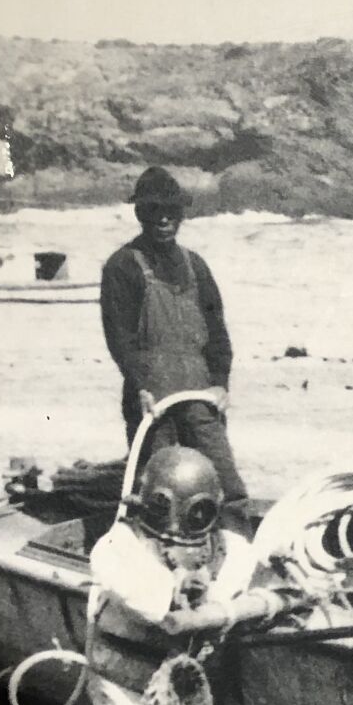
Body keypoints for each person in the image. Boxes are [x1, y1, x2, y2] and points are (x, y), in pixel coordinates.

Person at [86, 447, 300, 705]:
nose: (196, 522)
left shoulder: (230, 549)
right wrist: (188, 586)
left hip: (187, 690)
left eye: (203, 513)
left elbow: (261, 578)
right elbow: (158, 609)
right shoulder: (117, 548)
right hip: (124, 690)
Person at [100, 166, 246, 501]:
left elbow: (217, 333)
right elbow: (120, 338)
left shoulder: (195, 265)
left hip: (199, 397)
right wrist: (140, 386)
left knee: (224, 486)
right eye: (154, 212)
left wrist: (221, 383)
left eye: (171, 212)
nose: (164, 220)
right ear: (140, 214)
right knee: (159, 492)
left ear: (181, 216)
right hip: (152, 399)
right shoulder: (122, 266)